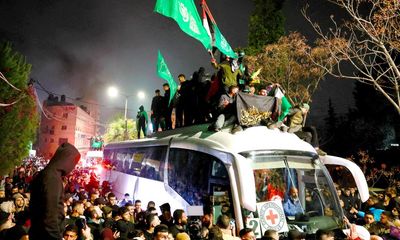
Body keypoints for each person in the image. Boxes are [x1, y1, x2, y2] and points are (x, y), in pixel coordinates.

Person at [29, 143, 81, 240]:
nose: (73, 167)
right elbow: (50, 215)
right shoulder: (52, 178)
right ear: (66, 160)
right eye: (73, 163)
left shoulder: (47, 174)